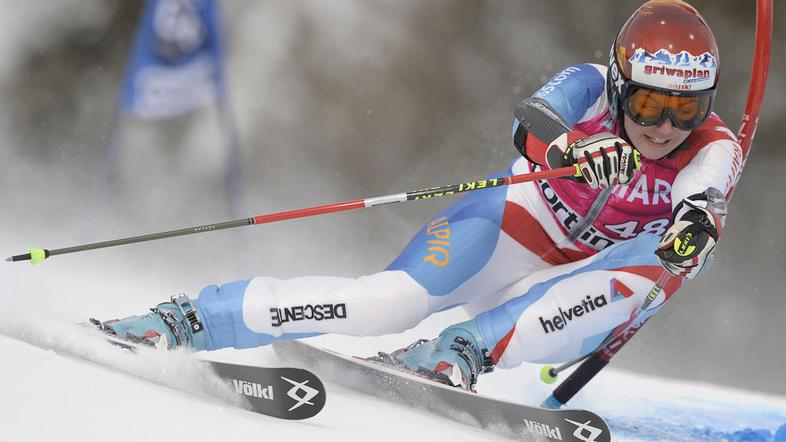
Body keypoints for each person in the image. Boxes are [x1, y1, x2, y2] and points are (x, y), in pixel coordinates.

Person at [99, 0, 740, 393]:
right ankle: (189, 318)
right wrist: (573, 154)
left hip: (589, 277)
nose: (665, 126)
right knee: (386, 302)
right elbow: (531, 124)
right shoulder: (588, 85)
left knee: (650, 268)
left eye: (687, 109)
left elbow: (699, 205)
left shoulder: (712, 146)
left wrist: (693, 235)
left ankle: (460, 350)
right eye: (651, 103)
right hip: (518, 222)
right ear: (622, 84)